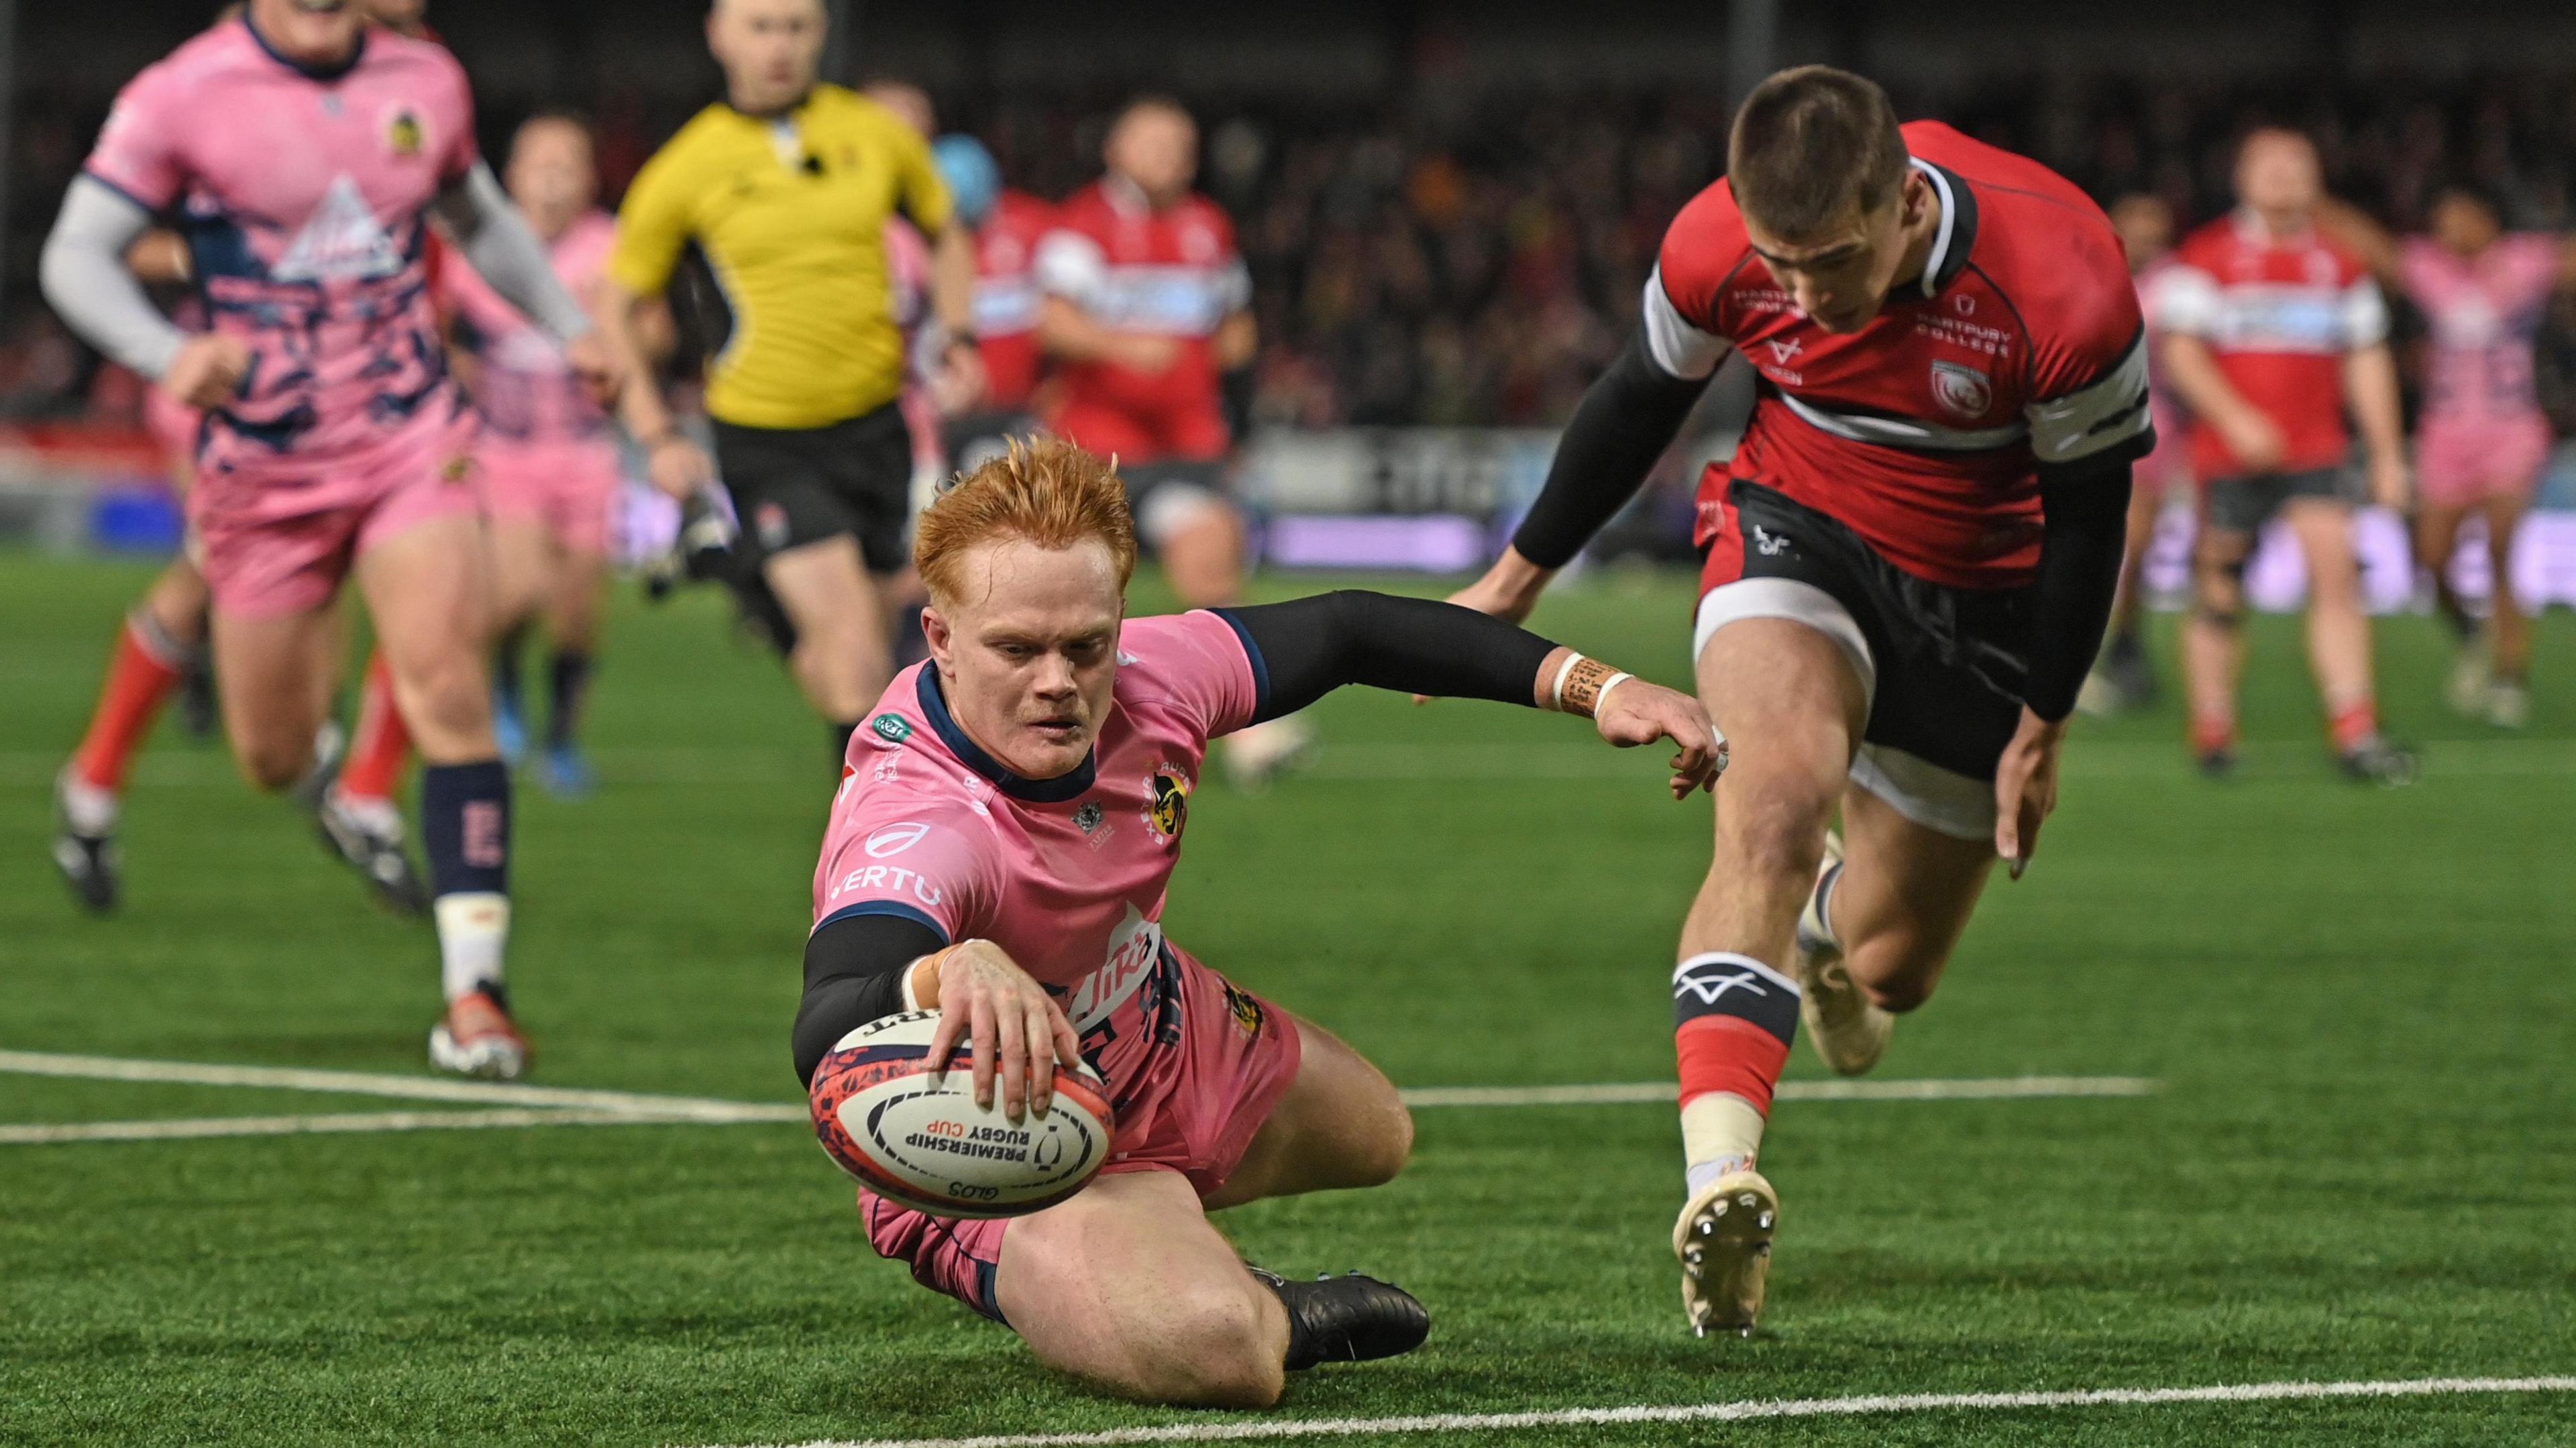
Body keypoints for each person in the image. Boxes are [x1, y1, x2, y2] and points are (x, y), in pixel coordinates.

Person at [1443, 67, 2154, 1335]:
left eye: (1831, 262)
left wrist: (2042, 723)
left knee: (1898, 966)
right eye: (1782, 265)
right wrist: (1513, 576)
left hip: (1983, 605)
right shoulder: (1718, 240)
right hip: (1795, 532)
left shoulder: (2065, 276)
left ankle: (1827, 927)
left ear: (1903, 206)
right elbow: (1636, 402)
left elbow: (2091, 520)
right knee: (1770, 805)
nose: (1804, 297)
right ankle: (1723, 1180)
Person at [795, 438, 1721, 1405]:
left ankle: (1153, 1237)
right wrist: (945, 973)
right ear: (939, 638)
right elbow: (826, 1023)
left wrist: (1602, 687)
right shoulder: (921, 816)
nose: (1059, 680)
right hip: (1007, 1124)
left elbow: (1355, 629)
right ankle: (1197, 1285)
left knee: (1378, 1133)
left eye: (1087, 644)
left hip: (1159, 1022)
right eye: (1017, 648)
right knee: (1224, 1350)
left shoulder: (1158, 675)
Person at [40, 0, 617, 1076]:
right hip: (265, 464)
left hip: (411, 435)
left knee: (446, 677)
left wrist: (573, 330)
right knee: (269, 751)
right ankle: (302, 772)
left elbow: (478, 216)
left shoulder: (425, 80)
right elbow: (75, 256)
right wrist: (162, 349)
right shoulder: (182, 92)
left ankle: (474, 994)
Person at [596, 0, 983, 768]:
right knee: (851, 658)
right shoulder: (688, 164)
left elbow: (945, 232)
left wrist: (958, 332)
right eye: (760, 26)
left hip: (878, 429)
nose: (779, 45)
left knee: (865, 653)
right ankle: (875, 858)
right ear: (718, 33)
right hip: (767, 438)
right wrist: (656, 435)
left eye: (797, 27)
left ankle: (745, 575)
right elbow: (612, 307)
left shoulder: (874, 134)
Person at [1035, 98, 1310, 786]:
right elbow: (1054, 324)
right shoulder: (1082, 226)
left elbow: (1234, 323)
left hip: (1185, 445)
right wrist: (1124, 348)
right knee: (1065, 598)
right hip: (1093, 449)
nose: (1169, 156)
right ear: (1116, 150)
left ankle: (1256, 725)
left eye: (1180, 145)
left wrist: (1222, 370)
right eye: (1153, 142)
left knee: (1211, 565)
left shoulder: (1207, 227)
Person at [2152, 129, 2416, 783]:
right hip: (2228, 456)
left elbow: (2367, 359)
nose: (2284, 177)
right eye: (2270, 165)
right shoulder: (2206, 256)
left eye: (2297, 166)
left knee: (2336, 573)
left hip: (2317, 449)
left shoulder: (2340, 264)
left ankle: (2355, 728)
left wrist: (2387, 453)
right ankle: (2213, 725)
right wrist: (2236, 419)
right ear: (2242, 177)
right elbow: (2181, 353)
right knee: (2220, 590)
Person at [2324, 184, 2575, 729]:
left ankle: (2510, 678)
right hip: (2444, 436)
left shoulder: (2525, 260)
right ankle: (2469, 634)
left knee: (2503, 550)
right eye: (2442, 219)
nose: (2450, 228)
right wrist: (2314, 201)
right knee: (2432, 561)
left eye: (2460, 216)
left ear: (2488, 219)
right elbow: (2374, 247)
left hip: (2512, 430)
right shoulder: (2427, 266)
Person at [441, 112, 627, 794]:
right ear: (510, 175)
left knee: (577, 610)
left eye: (567, 165)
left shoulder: (613, 248)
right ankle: (507, 690)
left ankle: (562, 740)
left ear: (589, 178)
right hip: (505, 451)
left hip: (587, 453)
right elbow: (451, 343)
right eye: (538, 165)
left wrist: (624, 330)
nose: (552, 181)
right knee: (517, 590)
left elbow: (654, 337)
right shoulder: (474, 252)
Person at [2080, 193, 2193, 716]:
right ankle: (2077, 655)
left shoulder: (2178, 283)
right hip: (2080, 425)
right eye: (2137, 229)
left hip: (2153, 426)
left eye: (2156, 230)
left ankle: (2125, 643)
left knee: (2136, 547)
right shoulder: (2084, 273)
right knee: (2077, 543)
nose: (2147, 240)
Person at [938, 133, 1054, 474]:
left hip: (1025, 410)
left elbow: (1064, 310)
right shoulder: (911, 243)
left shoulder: (1034, 223)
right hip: (944, 415)